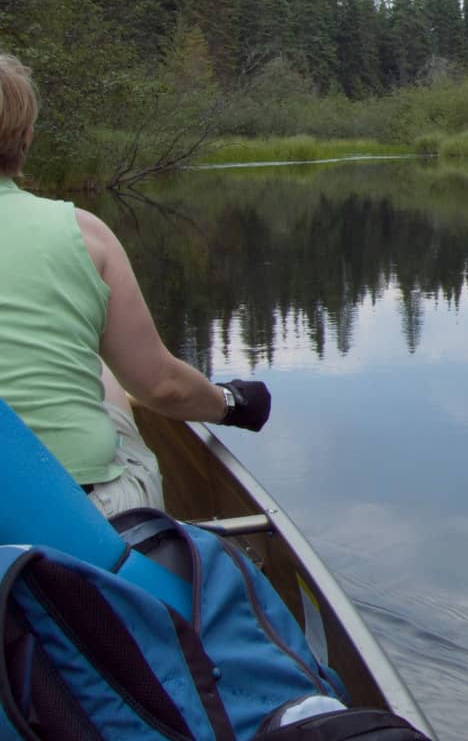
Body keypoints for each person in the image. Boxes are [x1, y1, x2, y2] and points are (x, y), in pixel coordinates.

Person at [0, 52, 271, 516]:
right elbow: (160, 387)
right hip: (78, 513)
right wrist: (231, 402)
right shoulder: (84, 235)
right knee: (105, 370)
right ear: (26, 137)